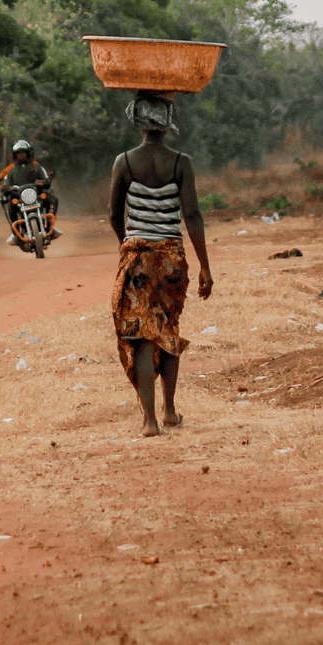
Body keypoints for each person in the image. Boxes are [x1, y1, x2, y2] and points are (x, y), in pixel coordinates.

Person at [107, 92, 213, 437]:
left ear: (137, 121)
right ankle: (170, 411)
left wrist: (128, 243)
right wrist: (204, 267)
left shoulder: (123, 162)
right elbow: (192, 216)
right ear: (168, 124)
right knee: (167, 330)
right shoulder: (181, 162)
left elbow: (113, 214)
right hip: (171, 260)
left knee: (141, 336)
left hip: (137, 260)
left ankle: (149, 421)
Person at [0, 139, 60, 244]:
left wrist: (44, 182)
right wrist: (7, 188)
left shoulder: (36, 166)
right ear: (15, 155)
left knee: (51, 199)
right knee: (10, 207)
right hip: (19, 197)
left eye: (23, 152)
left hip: (36, 195)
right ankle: (16, 233)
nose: (21, 155)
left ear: (28, 153)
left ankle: (49, 225)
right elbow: (6, 182)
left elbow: (45, 179)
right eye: (19, 153)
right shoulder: (11, 169)